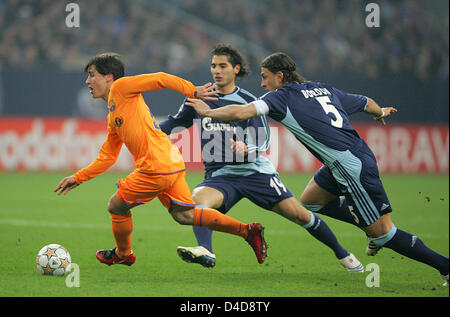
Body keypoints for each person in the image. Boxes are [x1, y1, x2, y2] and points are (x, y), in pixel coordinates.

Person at [185, 52, 449, 286]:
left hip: (350, 167)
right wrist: (379, 113)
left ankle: (444, 266)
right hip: (346, 160)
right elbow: (365, 102)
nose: (262, 84)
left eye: (265, 78)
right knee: (311, 200)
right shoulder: (323, 89)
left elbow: (241, 112)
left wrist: (208, 113)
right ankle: (366, 222)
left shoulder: (280, 98)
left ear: (279, 76)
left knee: (385, 234)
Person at [160, 43, 364, 272]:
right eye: (213, 66)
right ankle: (206, 250)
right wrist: (146, 132)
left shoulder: (249, 101)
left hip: (255, 173)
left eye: (222, 65)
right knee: (196, 202)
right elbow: (172, 124)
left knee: (300, 215)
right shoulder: (200, 98)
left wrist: (247, 149)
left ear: (236, 69)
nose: (216, 70)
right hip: (221, 176)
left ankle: (343, 254)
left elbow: (263, 141)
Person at [53, 52, 268, 266]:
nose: (87, 81)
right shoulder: (113, 114)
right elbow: (108, 157)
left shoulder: (121, 87)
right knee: (184, 215)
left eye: (92, 75)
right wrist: (79, 177)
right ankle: (247, 231)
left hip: (155, 167)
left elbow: (161, 78)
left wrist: (191, 90)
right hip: (170, 163)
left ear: (109, 77)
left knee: (116, 206)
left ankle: (123, 253)